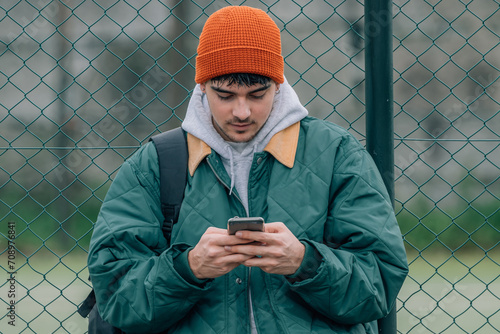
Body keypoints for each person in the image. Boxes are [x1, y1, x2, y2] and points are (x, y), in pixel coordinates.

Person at [87, 5, 408, 333]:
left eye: (257, 94)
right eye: (225, 95)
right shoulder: (155, 164)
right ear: (202, 87)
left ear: (278, 85)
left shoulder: (336, 153)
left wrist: (305, 263)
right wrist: (188, 268)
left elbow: (380, 281)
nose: (241, 111)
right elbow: (115, 294)